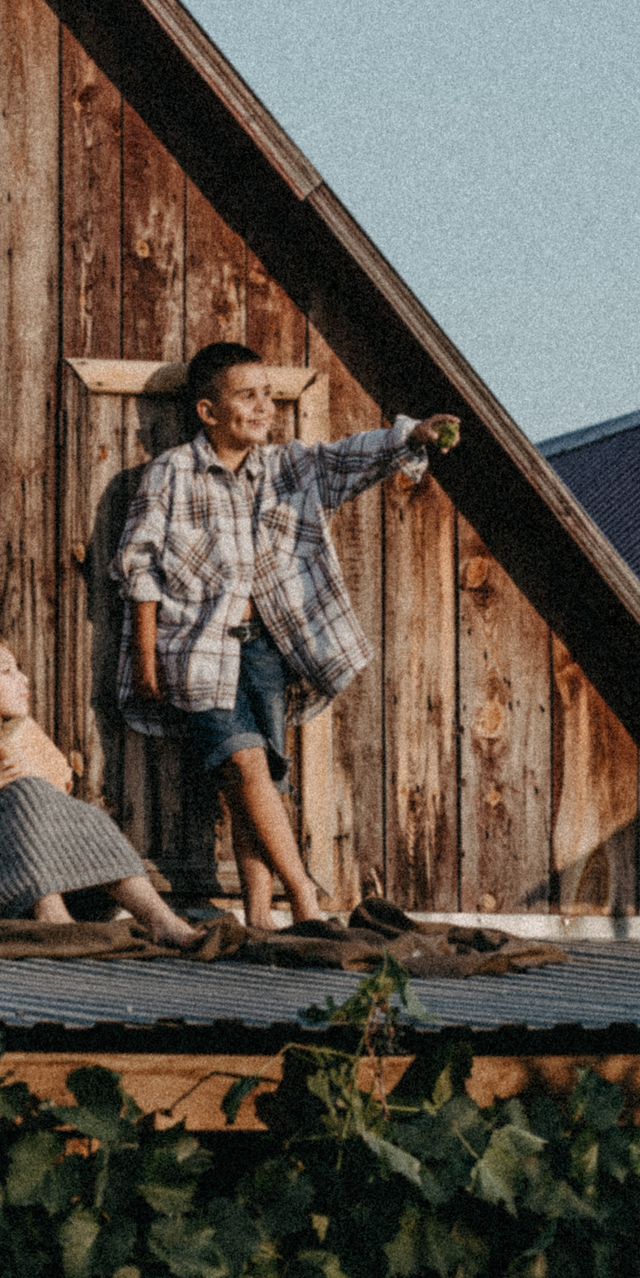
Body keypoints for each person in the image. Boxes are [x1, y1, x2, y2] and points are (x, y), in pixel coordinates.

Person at [117, 341, 460, 929]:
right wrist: (146, 664)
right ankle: (304, 896)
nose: (262, 407)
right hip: (198, 652)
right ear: (207, 410)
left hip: (266, 650)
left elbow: (347, 457)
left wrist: (412, 438)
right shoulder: (170, 473)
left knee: (257, 783)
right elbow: (139, 568)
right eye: (246, 396)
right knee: (248, 765)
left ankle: (257, 914)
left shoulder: (287, 467)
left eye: (268, 396)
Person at [0, 632, 206, 947]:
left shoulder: (18, 745)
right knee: (24, 792)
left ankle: (161, 919)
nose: (24, 679)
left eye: (19, 669)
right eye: (7, 671)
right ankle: (53, 918)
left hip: (40, 889)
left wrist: (56, 799)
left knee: (69, 805)